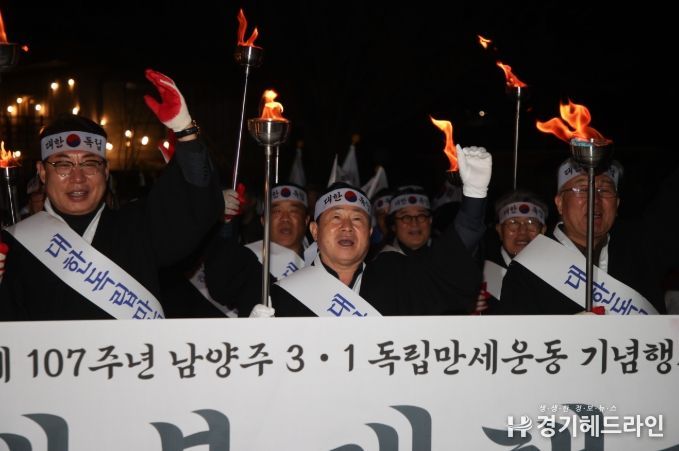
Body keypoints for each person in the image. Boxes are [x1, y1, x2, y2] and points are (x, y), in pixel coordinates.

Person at [0, 69, 223, 320]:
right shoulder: (14, 245)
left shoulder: (139, 227)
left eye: (90, 164)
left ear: (105, 171)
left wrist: (184, 131)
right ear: (42, 172)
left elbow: (195, 208)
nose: (77, 177)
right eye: (63, 165)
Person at [207, 145, 491, 317]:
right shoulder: (280, 294)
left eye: (357, 219)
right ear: (314, 230)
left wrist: (475, 194)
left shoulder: (395, 276)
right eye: (335, 218)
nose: (346, 226)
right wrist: (255, 338)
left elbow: (449, 260)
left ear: (369, 232)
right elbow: (223, 280)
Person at [498, 158, 677, 315]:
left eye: (604, 190)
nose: (594, 199)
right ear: (560, 203)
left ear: (617, 204)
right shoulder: (528, 268)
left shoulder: (643, 249)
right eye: (582, 189)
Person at [477, 189, 548, 313]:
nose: (522, 231)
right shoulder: (479, 274)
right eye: (513, 222)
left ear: (543, 231)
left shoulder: (556, 272)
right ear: (500, 230)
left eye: (531, 222)